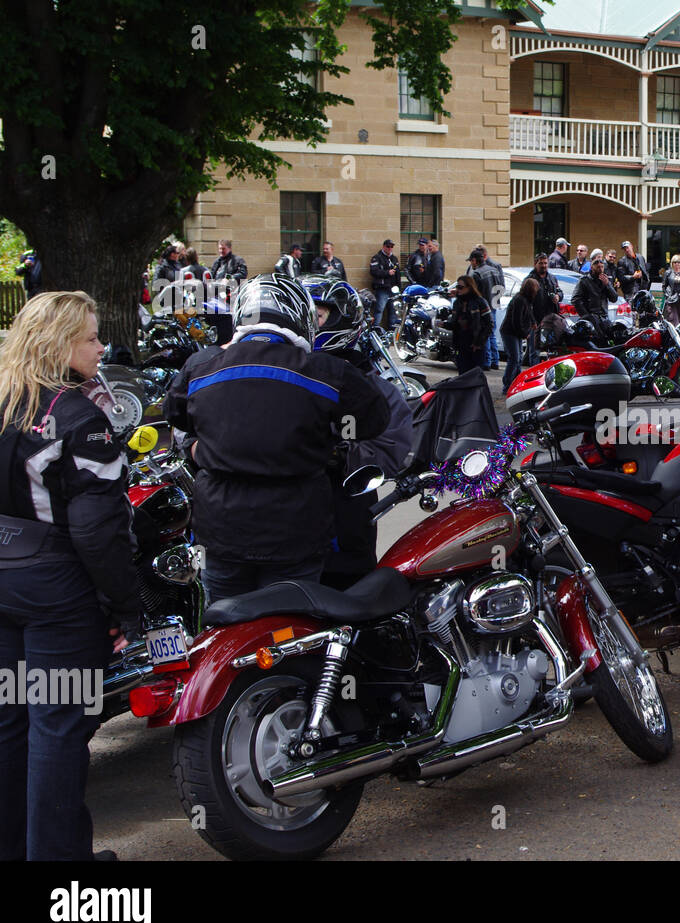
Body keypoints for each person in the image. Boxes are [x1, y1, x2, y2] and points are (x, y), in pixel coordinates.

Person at [0, 291, 140, 861]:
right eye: (89, 337)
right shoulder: (82, 418)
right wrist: (124, 605)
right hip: (57, 592)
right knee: (58, 727)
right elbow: (98, 532)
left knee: (11, 722)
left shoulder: (6, 401)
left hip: (5, 583)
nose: (100, 346)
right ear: (57, 344)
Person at [164, 274, 391, 602]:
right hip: (295, 536)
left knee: (222, 631)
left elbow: (177, 415)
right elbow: (373, 420)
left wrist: (207, 443)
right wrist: (328, 433)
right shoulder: (326, 371)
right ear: (299, 316)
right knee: (287, 631)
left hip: (221, 532)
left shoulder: (201, 367)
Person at [305, 279, 414, 591]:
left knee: (351, 605)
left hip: (344, 524)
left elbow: (393, 449)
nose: (311, 323)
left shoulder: (375, 388)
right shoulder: (284, 376)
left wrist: (339, 452)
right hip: (285, 534)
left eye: (319, 315)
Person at [449, 274, 492, 375]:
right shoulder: (457, 303)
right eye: (457, 287)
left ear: (469, 287)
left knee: (474, 375)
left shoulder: (480, 302)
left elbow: (488, 324)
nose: (458, 290)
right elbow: (454, 324)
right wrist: (444, 324)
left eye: (460, 287)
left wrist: (479, 343)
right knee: (462, 374)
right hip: (461, 342)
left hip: (475, 343)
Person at [501, 277, 537, 394]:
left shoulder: (525, 299)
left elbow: (529, 313)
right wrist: (524, 333)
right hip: (510, 331)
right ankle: (507, 385)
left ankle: (514, 383)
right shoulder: (520, 300)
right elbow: (516, 321)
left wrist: (533, 322)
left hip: (514, 331)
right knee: (515, 357)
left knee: (518, 358)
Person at [572, 258, 618, 332]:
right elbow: (575, 299)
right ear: (592, 267)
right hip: (591, 317)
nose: (600, 269)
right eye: (598, 267)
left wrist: (608, 285)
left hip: (604, 317)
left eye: (602, 267)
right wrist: (586, 315)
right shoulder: (584, 280)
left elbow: (614, 298)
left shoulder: (605, 280)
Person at [368, 239, 400, 332]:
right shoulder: (377, 258)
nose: (390, 248)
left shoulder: (394, 259)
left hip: (393, 289)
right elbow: (373, 271)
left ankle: (392, 331)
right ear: (384, 247)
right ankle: (375, 330)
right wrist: (387, 273)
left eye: (391, 247)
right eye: (388, 246)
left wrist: (398, 287)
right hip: (382, 289)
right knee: (379, 310)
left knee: (393, 311)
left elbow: (398, 273)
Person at [662, 254, 680, 324]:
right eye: (675, 262)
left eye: (679, 262)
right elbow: (664, 286)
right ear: (672, 263)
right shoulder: (668, 273)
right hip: (671, 298)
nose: (677, 264)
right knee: (673, 319)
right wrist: (667, 296)